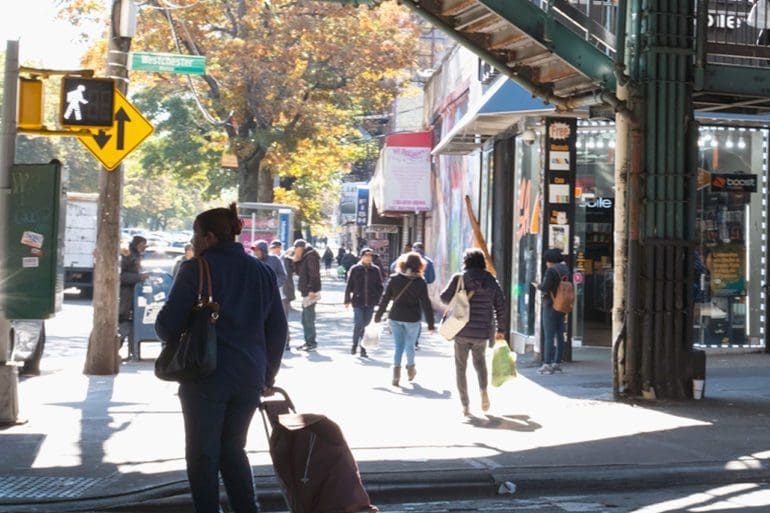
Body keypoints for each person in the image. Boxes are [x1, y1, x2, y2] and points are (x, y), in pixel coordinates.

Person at [155, 204, 287, 513]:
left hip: (205, 375)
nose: (194, 241)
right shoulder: (262, 271)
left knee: (202, 454)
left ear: (210, 237)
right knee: (233, 449)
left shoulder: (196, 269)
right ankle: (247, 509)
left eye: (196, 235)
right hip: (250, 377)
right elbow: (278, 329)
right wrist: (268, 375)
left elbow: (166, 327)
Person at [440, 248, 506, 417]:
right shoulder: (490, 280)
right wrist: (501, 329)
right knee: (480, 364)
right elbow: (500, 304)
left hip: (461, 330)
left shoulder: (460, 278)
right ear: (482, 262)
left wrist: (459, 295)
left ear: (466, 261)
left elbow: (444, 298)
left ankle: (465, 405)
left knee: (461, 367)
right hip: (482, 332)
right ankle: (483, 391)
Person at [374, 251, 435, 387]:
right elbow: (426, 303)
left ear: (403, 263)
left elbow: (385, 299)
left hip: (395, 317)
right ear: (420, 265)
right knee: (410, 345)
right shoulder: (420, 282)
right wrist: (431, 324)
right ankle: (411, 368)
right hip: (412, 318)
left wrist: (378, 316)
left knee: (398, 346)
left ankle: (396, 374)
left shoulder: (394, 278)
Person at [537, 248, 571, 375]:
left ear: (550, 260)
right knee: (560, 334)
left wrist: (538, 286)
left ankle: (547, 363)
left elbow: (545, 287)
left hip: (550, 304)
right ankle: (557, 363)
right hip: (562, 305)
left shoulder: (551, 271)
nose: (546, 263)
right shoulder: (566, 270)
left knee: (549, 335)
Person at [344, 248, 384, 358]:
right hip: (358, 301)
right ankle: (354, 344)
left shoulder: (375, 269)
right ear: (361, 257)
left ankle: (363, 348)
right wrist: (347, 300)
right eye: (366, 256)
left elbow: (380, 286)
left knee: (366, 326)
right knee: (358, 323)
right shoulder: (355, 269)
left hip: (370, 302)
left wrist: (378, 298)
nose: (368, 258)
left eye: (370, 256)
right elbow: (349, 285)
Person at [119, 235, 148, 361]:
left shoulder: (137, 256)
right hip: (126, 297)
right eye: (142, 245)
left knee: (131, 326)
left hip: (134, 297)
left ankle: (131, 351)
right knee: (124, 325)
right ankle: (114, 350)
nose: (144, 248)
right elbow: (121, 276)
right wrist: (138, 278)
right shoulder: (127, 254)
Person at [293, 239, 321, 351]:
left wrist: (311, 289)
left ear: (301, 248)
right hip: (306, 292)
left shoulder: (310, 256)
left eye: (296, 248)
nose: (295, 251)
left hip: (311, 292)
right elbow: (300, 273)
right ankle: (308, 341)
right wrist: (296, 261)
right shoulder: (305, 257)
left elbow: (314, 274)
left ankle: (311, 343)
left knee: (308, 318)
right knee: (305, 319)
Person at [270, 240, 294, 350]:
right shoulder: (270, 259)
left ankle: (286, 342)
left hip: (283, 295)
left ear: (279, 248)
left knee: (284, 319)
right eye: (272, 248)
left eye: (275, 248)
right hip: (273, 295)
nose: (273, 250)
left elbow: (288, 275)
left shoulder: (286, 259)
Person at [411, 242, 435, 351]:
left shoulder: (406, 258)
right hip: (420, 292)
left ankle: (407, 339)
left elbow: (393, 267)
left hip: (403, 292)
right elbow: (431, 279)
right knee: (417, 317)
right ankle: (414, 341)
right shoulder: (428, 262)